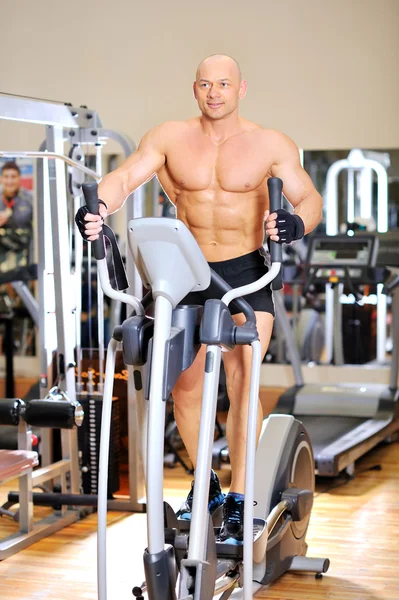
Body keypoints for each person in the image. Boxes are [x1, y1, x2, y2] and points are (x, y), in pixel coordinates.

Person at [76, 54, 323, 543]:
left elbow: (310, 199)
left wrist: (296, 224)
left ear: (241, 88)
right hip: (185, 269)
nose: (215, 93)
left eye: (224, 84)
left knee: (242, 379)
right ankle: (205, 483)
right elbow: (125, 178)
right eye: (206, 84)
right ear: (195, 89)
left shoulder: (270, 144)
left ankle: (240, 494)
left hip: (247, 271)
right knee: (186, 387)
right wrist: (97, 208)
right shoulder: (169, 137)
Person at [0, 161, 33, 271]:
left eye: (13, 177)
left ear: (19, 178)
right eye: (6, 176)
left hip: (22, 259)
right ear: (1, 178)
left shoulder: (29, 200)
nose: (9, 181)